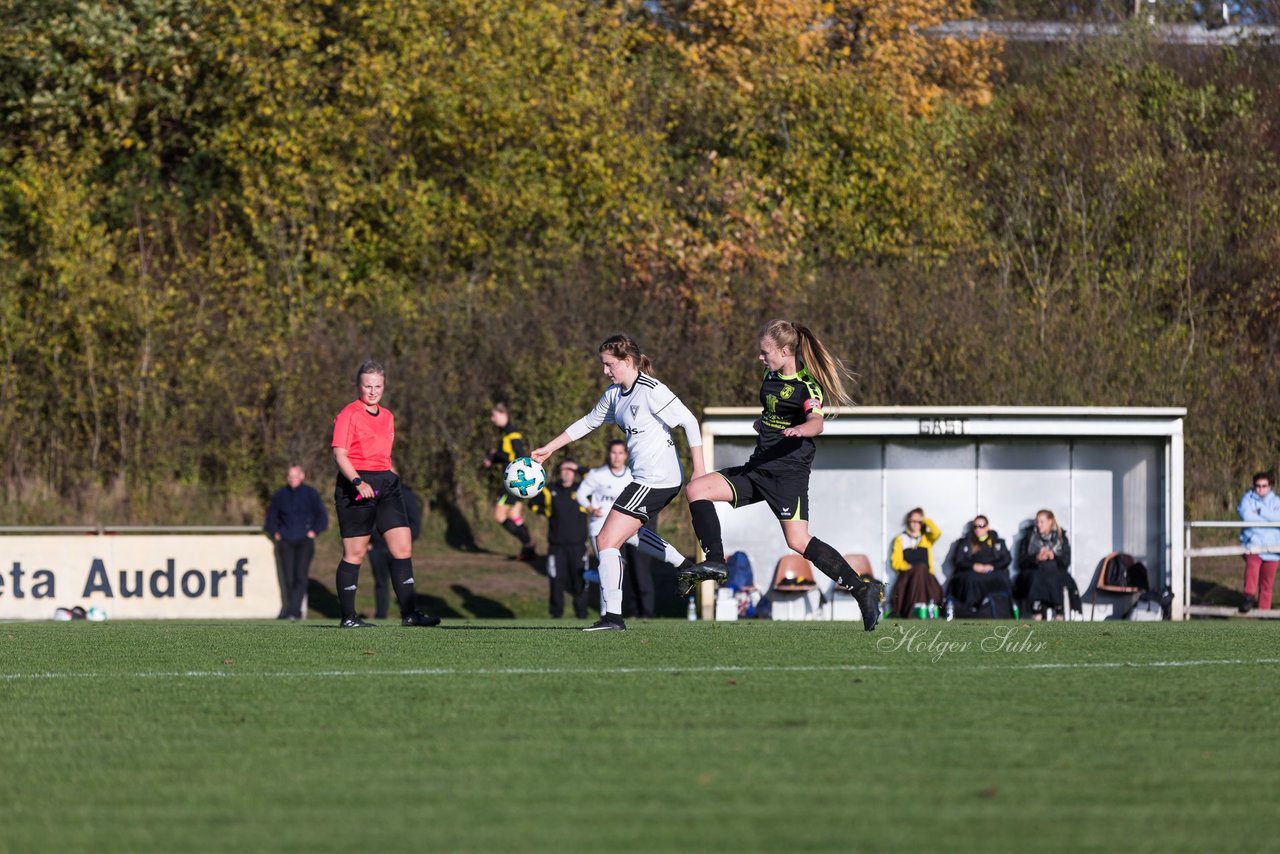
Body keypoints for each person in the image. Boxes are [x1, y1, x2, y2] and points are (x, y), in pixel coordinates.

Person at [680, 319, 885, 631]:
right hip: (758, 468)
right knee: (696, 489)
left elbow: (817, 423)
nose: (761, 358)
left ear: (786, 351)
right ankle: (716, 561)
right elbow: (771, 412)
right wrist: (764, 424)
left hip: (787, 476)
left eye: (765, 353)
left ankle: (862, 590)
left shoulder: (807, 386)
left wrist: (800, 429)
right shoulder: (769, 375)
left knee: (798, 541)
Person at [531, 334, 706, 632]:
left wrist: (699, 471)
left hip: (658, 479)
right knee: (627, 535)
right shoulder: (614, 395)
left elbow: (689, 421)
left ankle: (613, 617)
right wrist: (550, 448)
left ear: (626, 361)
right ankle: (686, 567)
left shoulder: (652, 390)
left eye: (609, 365)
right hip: (645, 480)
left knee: (605, 539)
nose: (605, 371)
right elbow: (588, 422)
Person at [330, 360, 440, 628]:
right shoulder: (349, 414)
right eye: (367, 386)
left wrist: (391, 478)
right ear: (358, 385)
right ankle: (348, 618)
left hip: (386, 484)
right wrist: (357, 481)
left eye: (377, 386)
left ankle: (410, 614)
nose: (372, 391)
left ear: (384, 386)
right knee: (354, 553)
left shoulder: (388, 416)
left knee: (402, 546)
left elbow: (382, 453)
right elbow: (339, 454)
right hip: (356, 484)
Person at [578, 439, 688, 618]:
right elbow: (582, 494)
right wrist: (591, 508)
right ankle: (608, 613)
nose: (617, 457)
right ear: (608, 454)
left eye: (621, 453)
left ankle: (682, 567)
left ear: (626, 455)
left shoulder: (635, 474)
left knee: (628, 569)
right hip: (600, 527)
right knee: (613, 568)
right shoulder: (597, 475)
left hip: (628, 526)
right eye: (614, 453)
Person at [264, 464, 328, 620]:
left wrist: (314, 531)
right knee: (288, 578)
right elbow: (271, 517)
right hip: (286, 541)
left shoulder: (311, 494)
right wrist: (275, 532)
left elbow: (322, 516)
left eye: (295, 476)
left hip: (304, 541)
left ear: (302, 476)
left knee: (300, 576)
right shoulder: (280, 495)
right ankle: (293, 610)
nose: (292, 479)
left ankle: (292, 611)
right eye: (290, 476)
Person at [530, 458, 592, 619]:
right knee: (556, 582)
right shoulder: (549, 490)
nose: (567, 472)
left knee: (580, 582)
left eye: (570, 470)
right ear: (559, 472)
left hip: (578, 547)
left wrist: (578, 466)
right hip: (556, 547)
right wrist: (545, 511)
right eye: (564, 469)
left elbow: (593, 477)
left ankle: (582, 615)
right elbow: (532, 502)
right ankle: (556, 615)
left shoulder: (582, 490)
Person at [482, 402, 537, 561]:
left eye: (494, 415)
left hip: (512, 484)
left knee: (499, 516)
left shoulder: (512, 434)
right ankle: (529, 548)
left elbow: (519, 456)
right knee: (514, 515)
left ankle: (528, 544)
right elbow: (509, 457)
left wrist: (495, 455)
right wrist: (495, 458)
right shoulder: (506, 433)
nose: (492, 419)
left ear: (503, 414)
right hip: (515, 483)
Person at [370, 482, 423, 620]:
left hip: (399, 548)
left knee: (404, 580)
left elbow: (415, 523)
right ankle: (380, 616)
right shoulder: (372, 493)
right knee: (381, 583)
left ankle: (409, 613)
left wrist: (405, 541)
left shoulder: (405, 495)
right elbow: (365, 518)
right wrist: (367, 540)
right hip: (377, 547)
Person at [1016, 508, 1080, 620]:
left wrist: (1053, 556)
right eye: (1037, 522)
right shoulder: (1029, 537)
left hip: (1055, 572)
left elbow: (1066, 562)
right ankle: (1037, 612)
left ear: (1050, 521)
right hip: (1035, 571)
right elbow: (1021, 562)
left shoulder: (1061, 538)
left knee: (1054, 577)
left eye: (1042, 522)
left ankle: (1058, 610)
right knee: (1036, 578)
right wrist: (1036, 558)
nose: (1038, 525)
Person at [947, 515, 1013, 614]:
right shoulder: (965, 542)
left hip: (992, 571)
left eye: (981, 526)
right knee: (969, 579)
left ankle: (1003, 610)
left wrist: (992, 566)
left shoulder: (997, 542)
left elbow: (1006, 559)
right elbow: (958, 560)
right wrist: (974, 566)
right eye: (975, 526)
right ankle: (970, 611)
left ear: (987, 527)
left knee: (1002, 579)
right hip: (972, 572)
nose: (978, 529)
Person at [888, 508, 944, 618]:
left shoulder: (926, 538)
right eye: (912, 521)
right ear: (908, 522)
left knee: (922, 569)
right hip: (908, 574)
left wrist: (924, 519)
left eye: (918, 521)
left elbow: (937, 532)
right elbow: (895, 561)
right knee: (919, 569)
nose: (915, 524)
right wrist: (906, 566)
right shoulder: (900, 539)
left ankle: (920, 608)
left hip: (926, 575)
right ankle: (920, 607)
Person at [1237, 471, 1280, 613]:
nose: (1261, 489)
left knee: (1266, 584)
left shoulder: (1276, 501)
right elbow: (1247, 518)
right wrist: (1271, 521)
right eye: (1258, 486)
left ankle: (1264, 614)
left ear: (1269, 486)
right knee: (1252, 568)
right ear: (1254, 486)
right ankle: (1248, 597)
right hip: (1253, 543)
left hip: (1273, 548)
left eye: (1264, 486)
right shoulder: (1246, 499)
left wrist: (1260, 511)